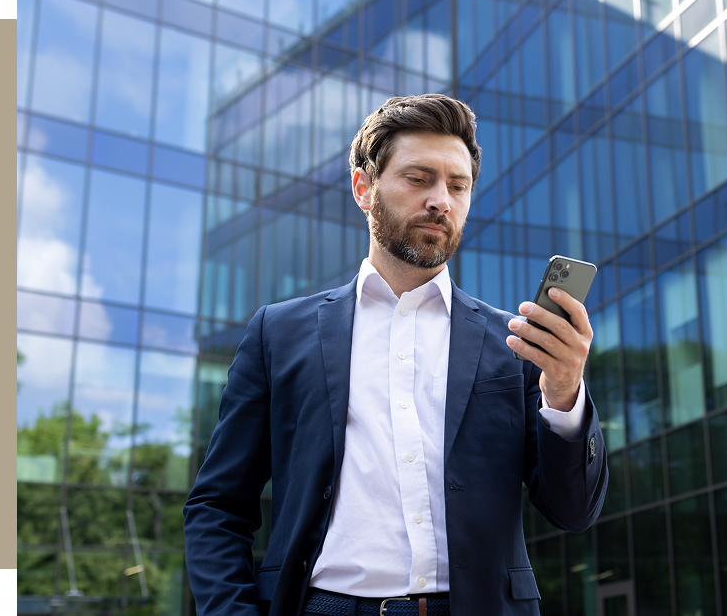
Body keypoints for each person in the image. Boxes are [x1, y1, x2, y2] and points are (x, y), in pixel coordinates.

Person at [184, 94, 607, 616]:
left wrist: (564, 394)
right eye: (418, 179)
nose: (441, 201)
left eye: (458, 186)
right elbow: (218, 507)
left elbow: (574, 512)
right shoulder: (279, 333)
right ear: (365, 188)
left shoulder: (515, 342)